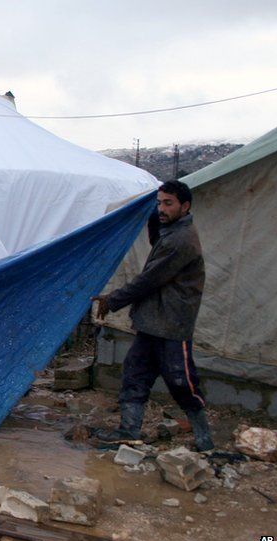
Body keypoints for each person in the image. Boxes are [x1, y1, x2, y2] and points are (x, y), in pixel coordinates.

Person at [91, 180, 212, 451]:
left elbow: (149, 279)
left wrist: (113, 300)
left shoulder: (181, 241)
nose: (161, 209)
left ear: (186, 206)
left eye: (168, 203)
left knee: (181, 382)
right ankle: (129, 430)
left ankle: (205, 440)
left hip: (171, 325)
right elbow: (155, 236)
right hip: (152, 322)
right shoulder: (171, 231)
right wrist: (151, 214)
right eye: (159, 203)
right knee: (135, 374)